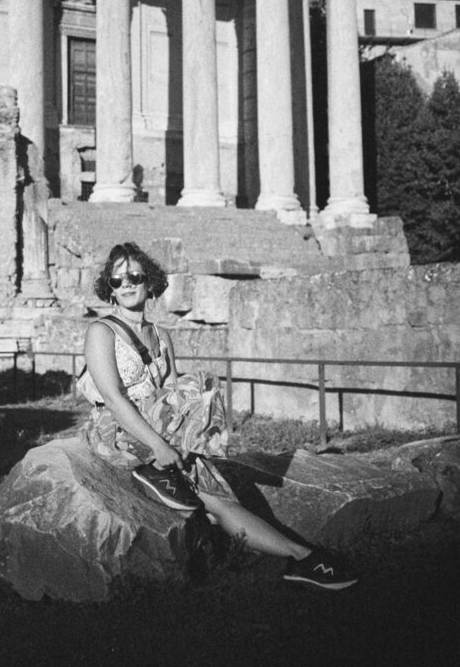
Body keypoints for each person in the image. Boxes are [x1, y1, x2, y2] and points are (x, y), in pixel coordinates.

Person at [80, 240, 359, 592]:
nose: (127, 284)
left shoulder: (161, 336)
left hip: (157, 425)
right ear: (110, 288)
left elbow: (174, 398)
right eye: (117, 280)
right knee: (199, 393)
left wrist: (179, 444)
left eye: (134, 275)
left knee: (219, 495)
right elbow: (113, 398)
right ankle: (157, 466)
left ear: (150, 281)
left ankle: (302, 558)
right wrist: (160, 445)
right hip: (117, 428)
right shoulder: (101, 331)